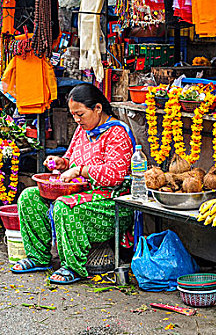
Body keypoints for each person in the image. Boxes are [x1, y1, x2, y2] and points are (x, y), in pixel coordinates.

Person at [12, 83, 135, 284]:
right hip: (79, 193)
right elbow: (70, 158)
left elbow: (115, 175)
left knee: (64, 206)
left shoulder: (117, 133)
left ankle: (72, 266)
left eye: (80, 114)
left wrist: (80, 170)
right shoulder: (82, 129)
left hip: (111, 202)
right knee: (28, 197)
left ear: (97, 108)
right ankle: (38, 257)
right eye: (74, 115)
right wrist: (62, 163)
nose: (77, 120)